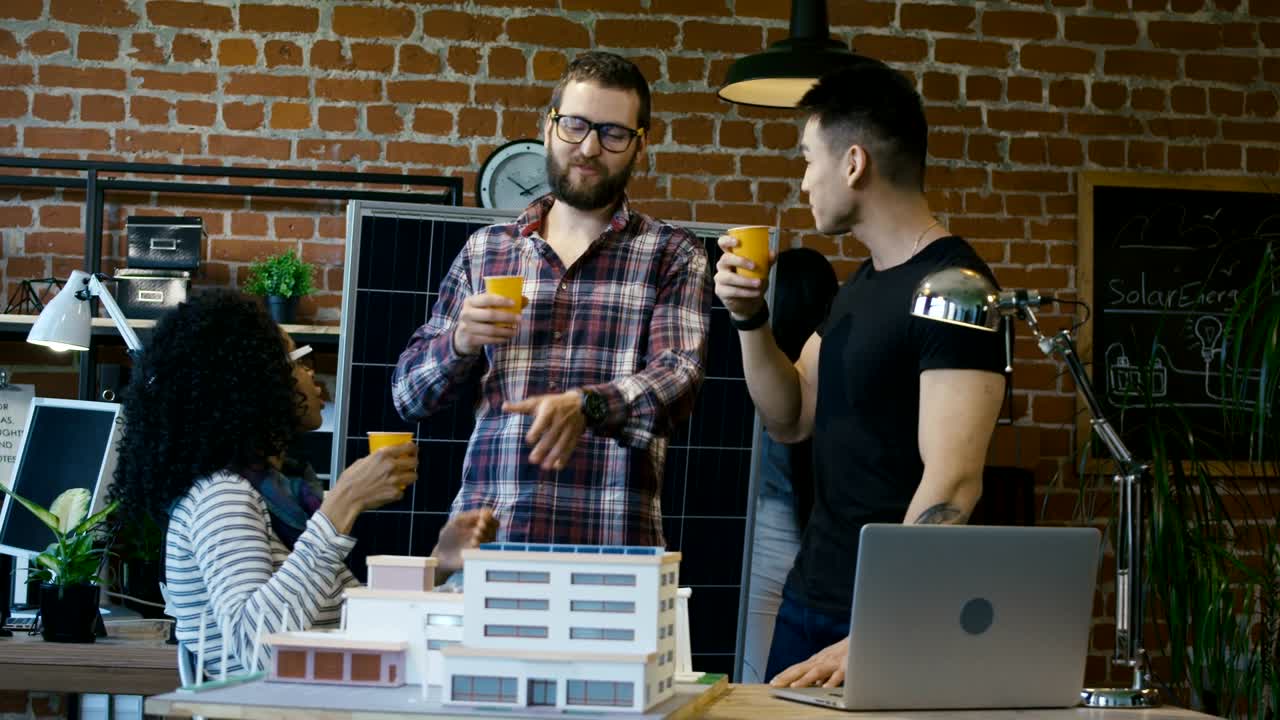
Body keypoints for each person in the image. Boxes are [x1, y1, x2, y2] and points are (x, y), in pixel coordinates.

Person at [713, 59, 1006, 688]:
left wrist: (879, 625)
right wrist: (748, 318)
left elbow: (954, 485)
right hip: (810, 595)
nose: (803, 182)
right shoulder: (862, 286)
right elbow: (789, 417)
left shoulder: (956, 289)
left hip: (890, 620)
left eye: (806, 159)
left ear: (852, 163)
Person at [392, 51, 712, 546]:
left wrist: (587, 406)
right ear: (548, 129)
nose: (588, 147)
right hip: (487, 544)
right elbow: (408, 396)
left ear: (639, 147)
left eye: (613, 133)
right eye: (575, 125)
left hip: (612, 547)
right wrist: (459, 341)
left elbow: (680, 377)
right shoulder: (487, 251)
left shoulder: (672, 253)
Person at [109, 291, 493, 677]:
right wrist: (341, 504)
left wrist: (437, 566)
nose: (309, 373)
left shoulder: (281, 494)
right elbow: (256, 648)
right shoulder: (222, 497)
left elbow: (354, 622)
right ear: (251, 383)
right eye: (296, 361)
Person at [741, 247, 838, 684]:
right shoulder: (833, 357)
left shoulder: (757, 362)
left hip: (767, 524)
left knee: (760, 670)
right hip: (825, 528)